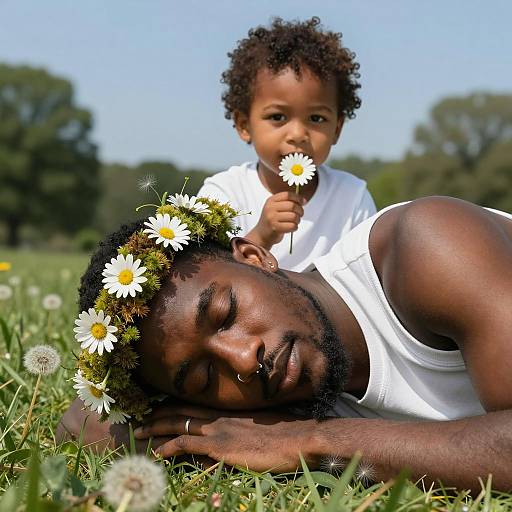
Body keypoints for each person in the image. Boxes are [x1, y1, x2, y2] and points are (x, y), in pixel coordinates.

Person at [59, 195, 512, 492]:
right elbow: (79, 424)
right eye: (202, 377)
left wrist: (311, 440)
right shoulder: (269, 393)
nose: (241, 358)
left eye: (225, 313)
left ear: (256, 257)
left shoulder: (427, 247)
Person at [198, 17, 376, 271]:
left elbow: (365, 281)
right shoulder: (224, 195)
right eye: (277, 117)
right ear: (244, 125)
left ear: (336, 128)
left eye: (316, 118)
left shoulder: (352, 197)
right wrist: (261, 236)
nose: (297, 134)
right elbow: (208, 280)